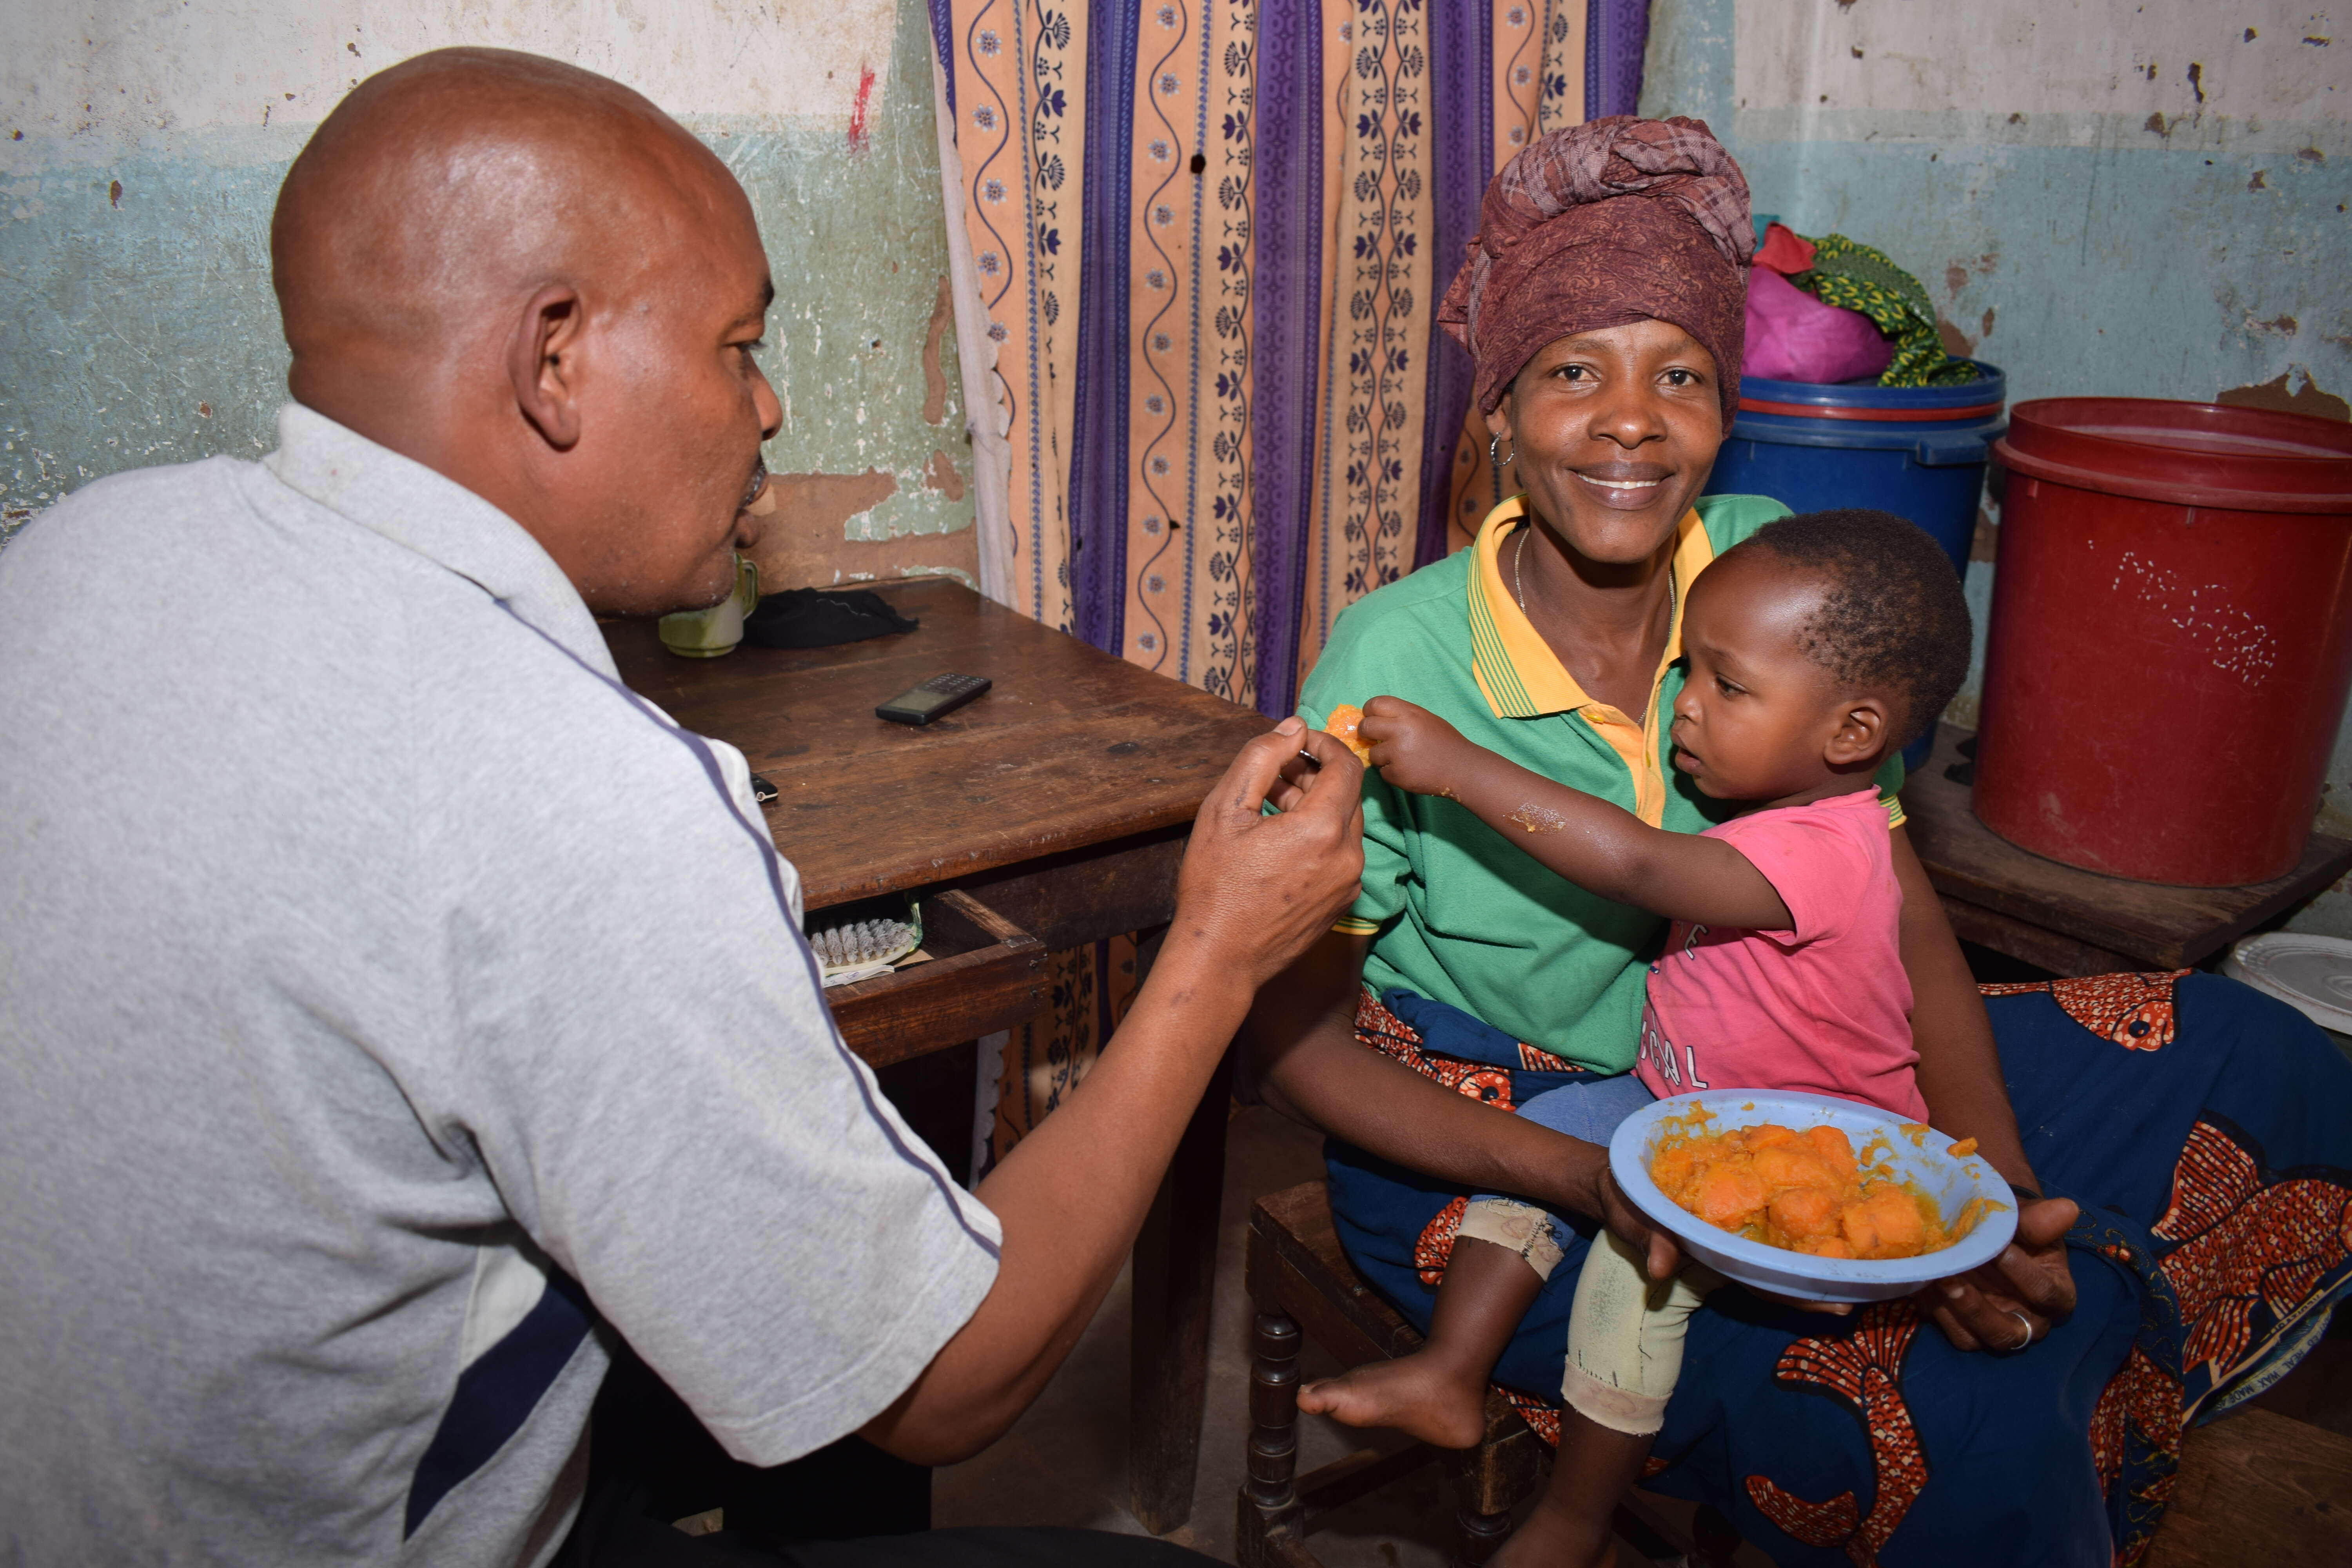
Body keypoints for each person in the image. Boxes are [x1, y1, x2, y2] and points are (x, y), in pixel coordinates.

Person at [0, 50, 1367, 1568]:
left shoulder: (82, 546)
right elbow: (954, 1385)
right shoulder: (581, 791)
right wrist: (1216, 954)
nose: (768, 405)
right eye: (736, 344)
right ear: (556, 359)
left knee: (845, 1170)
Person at [1246, 115, 2352, 1567]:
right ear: (1498, 416)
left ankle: (2078, 1320)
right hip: (1510, 1140)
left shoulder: (1769, 571)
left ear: (1726, 409)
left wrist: (1983, 1192)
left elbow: (1897, 925)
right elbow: (1291, 1033)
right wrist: (1598, 1177)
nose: (1631, 420)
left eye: (1681, 376)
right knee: (1968, 1413)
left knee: (2251, 1050)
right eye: (1575, 370)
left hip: (1769, 1059)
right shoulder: (1399, 661)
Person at [1300, 509, 1979, 1566]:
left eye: (1724, 688)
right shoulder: (1775, 804)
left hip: (1806, 1156)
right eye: (1687, 675)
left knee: (1637, 1275)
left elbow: (1640, 869)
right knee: (1554, 1135)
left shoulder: (1826, 848)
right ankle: (1450, 1373)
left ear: (1852, 736)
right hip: (1685, 1104)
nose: (1686, 709)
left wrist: (1460, 768)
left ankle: (1572, 1520)